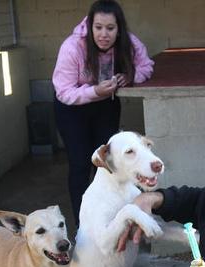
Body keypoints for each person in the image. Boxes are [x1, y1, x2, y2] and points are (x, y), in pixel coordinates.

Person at [52, 0, 154, 220]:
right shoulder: (72, 47)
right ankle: (83, 221)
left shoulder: (129, 42)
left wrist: (130, 77)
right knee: (80, 164)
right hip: (72, 108)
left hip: (105, 104)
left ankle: (111, 215)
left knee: (109, 162)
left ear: (119, 30)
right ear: (90, 27)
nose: (103, 34)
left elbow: (146, 65)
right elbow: (63, 91)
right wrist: (94, 91)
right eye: (98, 27)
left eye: (110, 28)